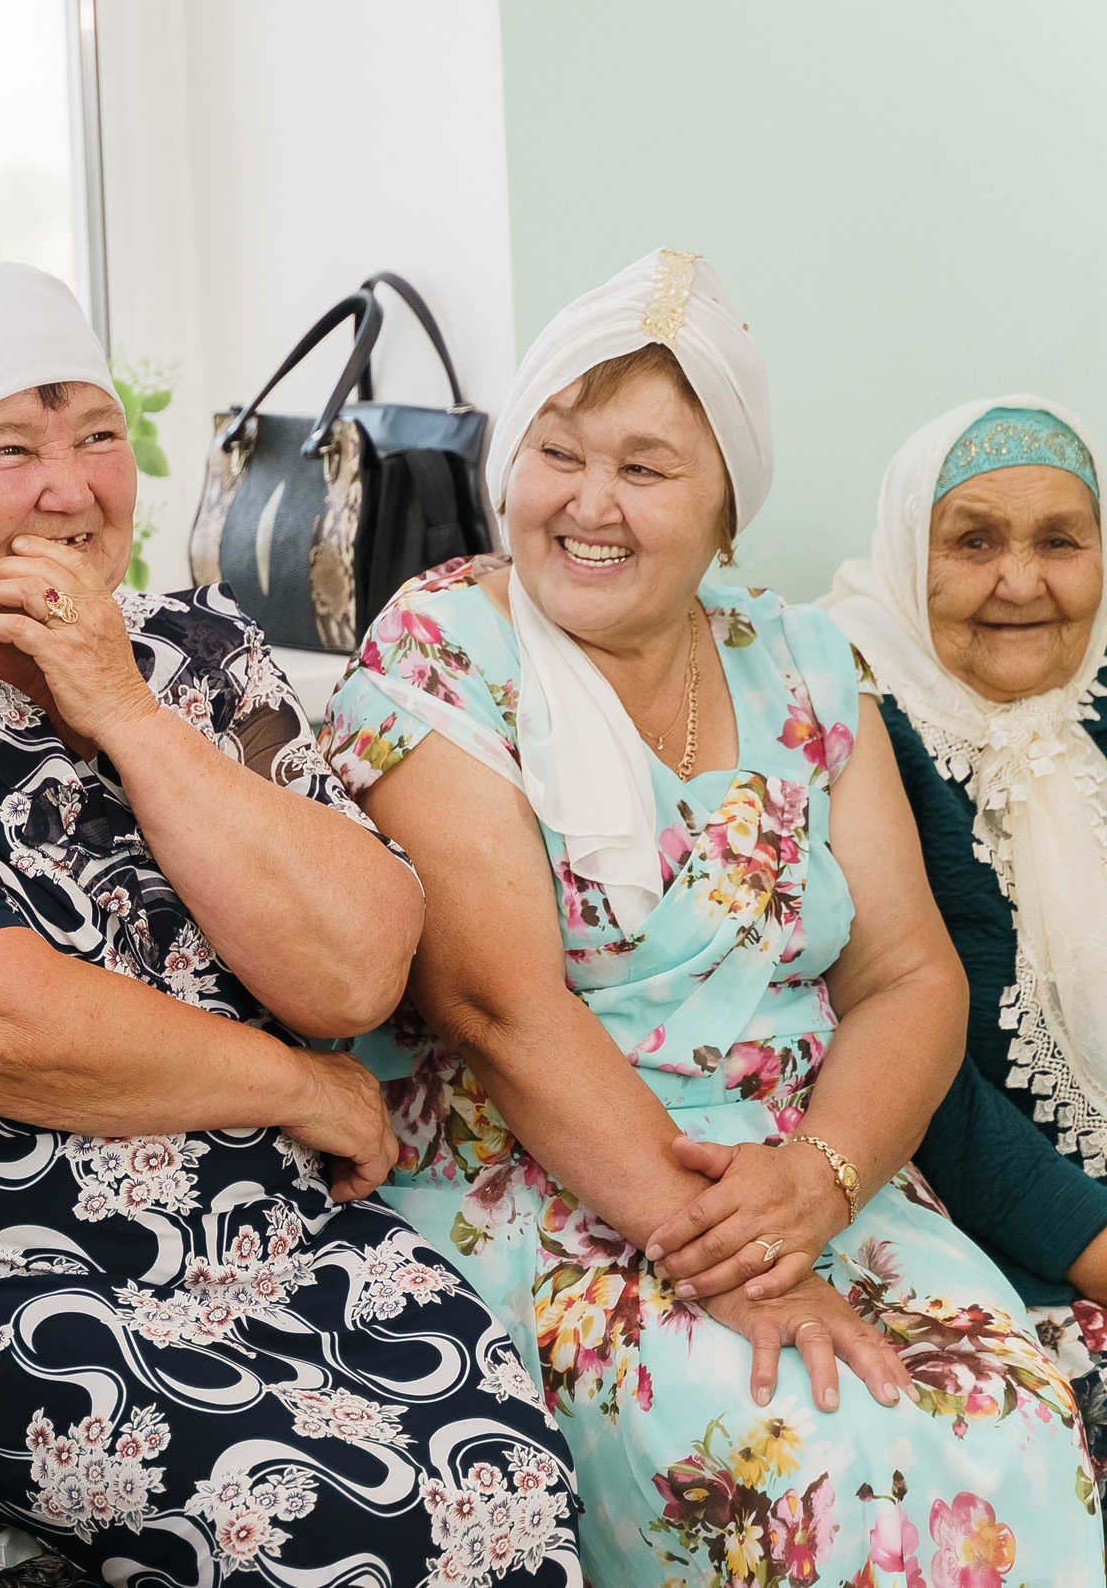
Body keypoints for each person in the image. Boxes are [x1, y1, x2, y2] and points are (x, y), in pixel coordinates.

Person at [0, 263, 579, 1588]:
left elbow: (354, 964)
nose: (69, 487)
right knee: (356, 1536)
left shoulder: (194, 645)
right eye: (9, 447)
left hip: (284, 1246)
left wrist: (123, 708)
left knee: (508, 1482)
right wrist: (292, 1082)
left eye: (99, 437)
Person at [320, 253, 1105, 1587]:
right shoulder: (448, 643)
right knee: (798, 1452)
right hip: (562, 1186)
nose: (588, 503)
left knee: (1012, 1420)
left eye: (646, 467)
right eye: (557, 451)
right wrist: (733, 1260)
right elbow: (500, 1006)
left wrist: (821, 1180)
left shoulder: (798, 655)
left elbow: (910, 973)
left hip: (818, 1176)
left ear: (729, 507)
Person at [822, 395, 1107, 1486]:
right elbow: (922, 1074)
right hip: (989, 1226)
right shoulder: (859, 725)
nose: (1021, 582)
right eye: (974, 541)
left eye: (1058, 542)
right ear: (908, 552)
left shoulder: (1093, 704)